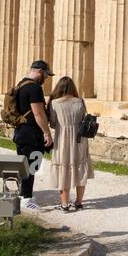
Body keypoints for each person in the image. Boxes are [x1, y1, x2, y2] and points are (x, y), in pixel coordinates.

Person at [11, 60, 55, 211]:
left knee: (25, 166)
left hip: (21, 132)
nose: (46, 79)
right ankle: (26, 198)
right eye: (47, 75)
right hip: (32, 134)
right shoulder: (34, 88)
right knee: (31, 167)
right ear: (40, 72)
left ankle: (23, 195)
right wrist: (47, 133)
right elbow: (38, 113)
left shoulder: (20, 85)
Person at [46, 76, 94, 212]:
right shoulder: (80, 102)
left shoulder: (54, 103)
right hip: (80, 140)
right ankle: (78, 202)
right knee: (80, 168)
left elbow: (53, 123)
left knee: (63, 168)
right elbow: (83, 119)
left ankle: (64, 204)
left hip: (63, 139)